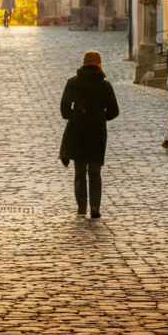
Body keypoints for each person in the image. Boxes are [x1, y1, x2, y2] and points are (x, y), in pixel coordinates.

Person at [59, 50, 120, 218]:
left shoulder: (72, 82)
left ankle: (81, 207)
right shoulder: (105, 85)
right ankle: (95, 206)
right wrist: (100, 118)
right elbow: (114, 111)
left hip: (77, 129)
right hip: (96, 131)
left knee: (79, 171)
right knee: (95, 171)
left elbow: (64, 111)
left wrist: (77, 116)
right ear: (99, 63)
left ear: (83, 62)